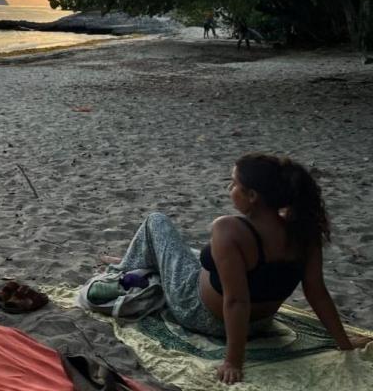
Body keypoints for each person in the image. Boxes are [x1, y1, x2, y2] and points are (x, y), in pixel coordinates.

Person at [107, 154, 368, 385]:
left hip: (198, 312)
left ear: (252, 196)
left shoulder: (229, 229)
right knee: (195, 253)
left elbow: (236, 301)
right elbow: (317, 293)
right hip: (261, 324)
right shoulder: (303, 231)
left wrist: (233, 361)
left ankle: (122, 270)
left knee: (156, 222)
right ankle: (141, 260)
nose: (229, 189)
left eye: (233, 184)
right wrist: (343, 343)